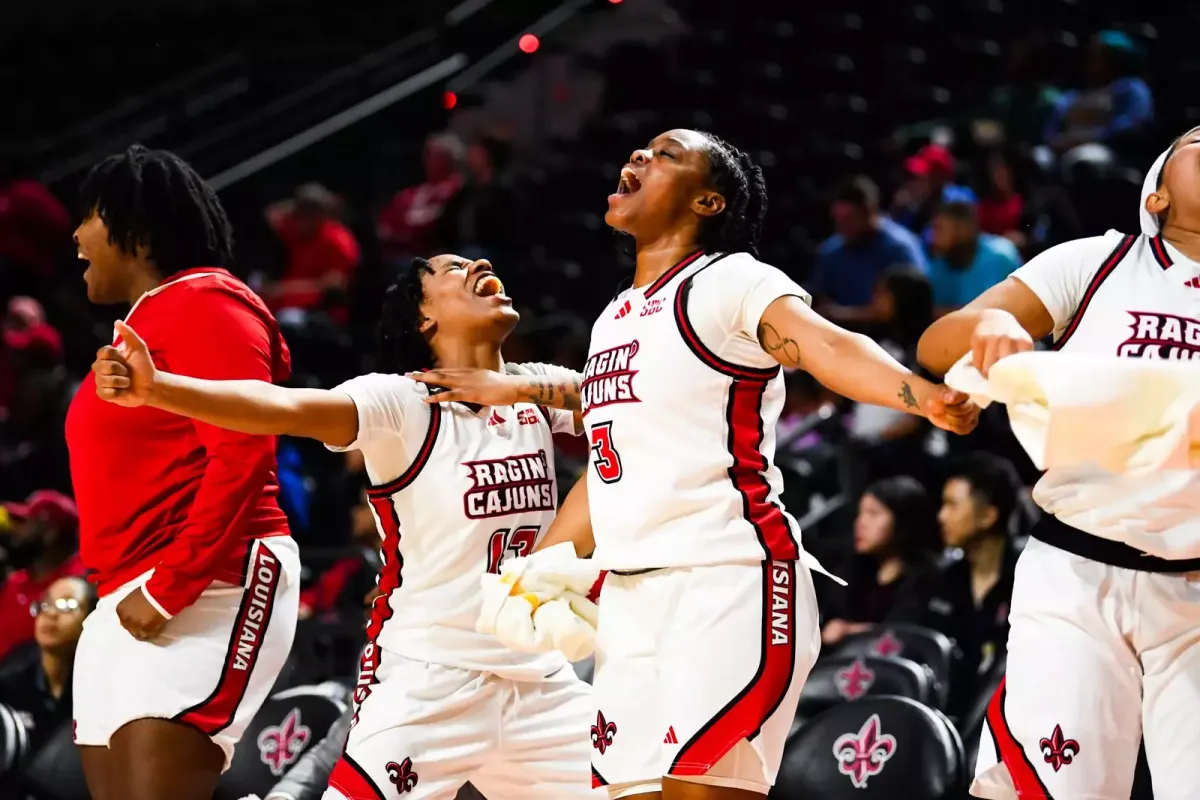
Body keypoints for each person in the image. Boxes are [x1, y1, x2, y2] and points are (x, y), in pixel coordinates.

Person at [407, 128, 980, 800]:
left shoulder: (732, 279)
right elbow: (614, 462)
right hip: (631, 601)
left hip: (726, 581)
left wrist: (921, 396)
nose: (639, 158)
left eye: (666, 155)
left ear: (708, 200)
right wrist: (534, 574)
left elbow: (825, 345)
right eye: (639, 151)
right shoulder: (615, 317)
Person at [91, 253, 599, 799]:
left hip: (540, 685)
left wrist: (518, 390)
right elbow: (280, 406)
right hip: (429, 681)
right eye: (452, 268)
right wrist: (159, 389)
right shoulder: (403, 402)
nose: (479, 262)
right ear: (424, 318)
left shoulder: (534, 394)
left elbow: (635, 397)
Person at [917, 128, 1200, 800]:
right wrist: (986, 327)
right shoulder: (1097, 263)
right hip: (1079, 570)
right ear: (1155, 194)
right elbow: (935, 344)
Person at [67, 144, 301, 800]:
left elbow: (243, 456)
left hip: (207, 586)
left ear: (134, 230)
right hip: (124, 592)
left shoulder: (208, 304)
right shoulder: (141, 327)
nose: (76, 235)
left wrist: (173, 586)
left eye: (88, 217)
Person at [820, 476, 947, 647]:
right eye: (860, 513)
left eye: (873, 514)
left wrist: (848, 631)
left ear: (902, 521)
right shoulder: (852, 569)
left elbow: (904, 634)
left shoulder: (925, 579)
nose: (861, 523)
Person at [934, 454, 1021, 697]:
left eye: (952, 505)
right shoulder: (942, 581)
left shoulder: (1030, 582)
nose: (941, 516)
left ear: (988, 516)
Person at [809, 176, 927, 322]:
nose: (841, 225)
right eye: (837, 218)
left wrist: (846, 315)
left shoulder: (900, 249)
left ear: (870, 212)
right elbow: (821, 299)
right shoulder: (831, 252)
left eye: (848, 218)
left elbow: (914, 308)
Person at [0, 491, 84, 664]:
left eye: (25, 523)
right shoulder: (15, 582)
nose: (16, 533)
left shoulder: (75, 588)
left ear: (49, 533)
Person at [926, 202, 1023, 312]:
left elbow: (993, 312)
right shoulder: (939, 263)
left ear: (962, 230)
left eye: (939, 229)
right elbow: (934, 311)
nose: (932, 237)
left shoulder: (999, 257)